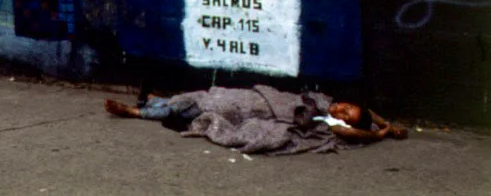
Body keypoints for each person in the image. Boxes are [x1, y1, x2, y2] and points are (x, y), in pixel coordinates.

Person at [105, 86, 407, 153]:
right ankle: (156, 103)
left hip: (255, 113)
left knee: (200, 108)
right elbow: (365, 112)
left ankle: (142, 110)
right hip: (256, 99)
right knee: (204, 98)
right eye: (345, 106)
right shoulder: (324, 102)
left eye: (345, 116)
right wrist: (387, 125)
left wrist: (379, 134)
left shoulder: (331, 127)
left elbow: (355, 133)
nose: (339, 110)